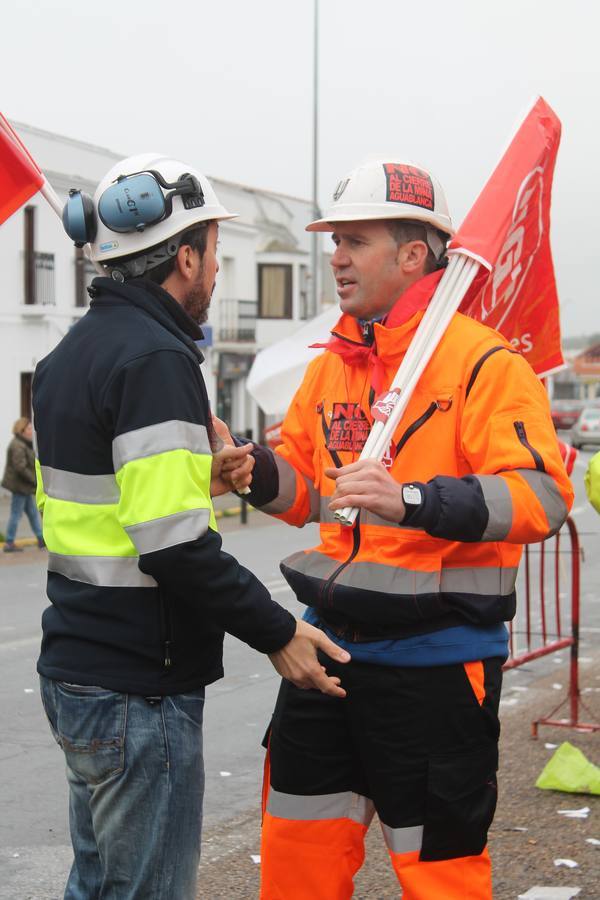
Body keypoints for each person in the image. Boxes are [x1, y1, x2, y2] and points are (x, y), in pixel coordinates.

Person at [229, 159, 574, 899]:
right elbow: (312, 492)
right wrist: (251, 470)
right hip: (329, 657)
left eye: (354, 240)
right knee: (294, 867)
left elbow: (541, 497)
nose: (337, 257)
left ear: (414, 253)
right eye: (334, 241)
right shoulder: (336, 364)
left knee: (440, 879)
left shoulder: (483, 362)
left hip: (437, 670)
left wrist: (412, 500)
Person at [32, 154, 350, 900]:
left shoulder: (66, 359)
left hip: (80, 671)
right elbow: (173, 544)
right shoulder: (156, 358)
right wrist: (279, 633)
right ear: (185, 256)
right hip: (139, 686)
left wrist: (193, 475)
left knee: (100, 885)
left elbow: (93, 505)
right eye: (212, 253)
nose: (215, 274)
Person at [2, 417, 44, 552]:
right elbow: (20, 467)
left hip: (24, 487)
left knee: (32, 513)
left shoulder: (24, 443)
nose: (32, 431)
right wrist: (34, 479)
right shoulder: (18, 445)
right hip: (20, 487)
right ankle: (9, 542)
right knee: (16, 514)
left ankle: (40, 539)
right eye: (29, 428)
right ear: (22, 430)